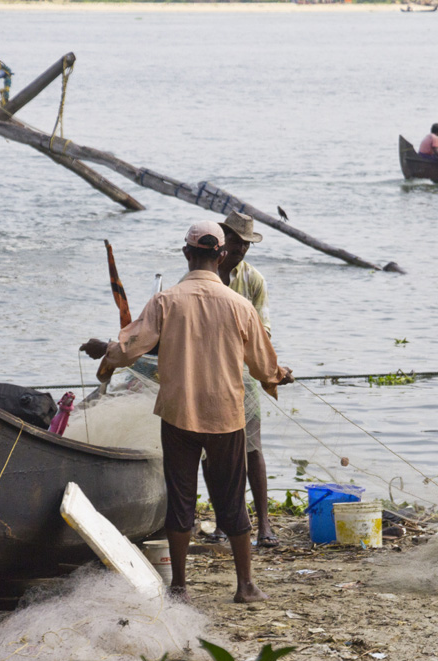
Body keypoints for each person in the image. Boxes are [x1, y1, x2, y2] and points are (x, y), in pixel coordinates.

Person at [80, 221, 294, 603]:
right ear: (222, 256)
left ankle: (178, 587)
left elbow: (129, 349)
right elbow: (263, 365)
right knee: (231, 498)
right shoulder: (240, 305)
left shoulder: (166, 301)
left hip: (179, 415)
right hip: (226, 416)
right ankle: (245, 586)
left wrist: (106, 350)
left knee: (181, 499)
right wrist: (280, 376)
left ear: (186, 254)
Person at [203, 211, 279, 548]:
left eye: (246, 244)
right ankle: (222, 523)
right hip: (206, 374)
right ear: (222, 240)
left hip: (243, 374)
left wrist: (269, 368)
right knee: (210, 451)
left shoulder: (253, 280)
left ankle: (263, 525)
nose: (241, 249)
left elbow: (262, 333)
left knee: (251, 449)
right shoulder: (203, 276)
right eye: (235, 242)